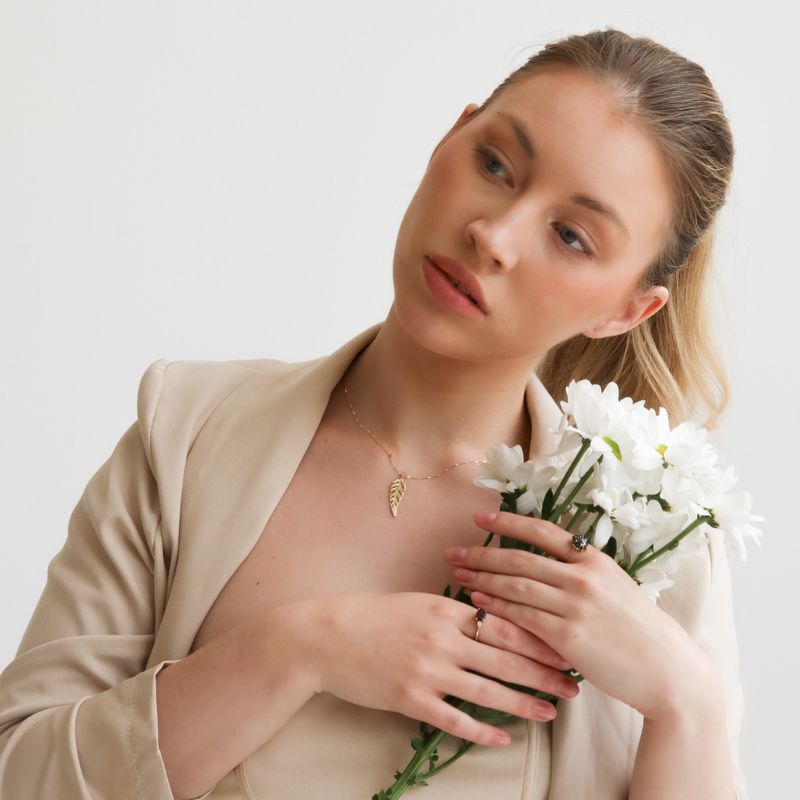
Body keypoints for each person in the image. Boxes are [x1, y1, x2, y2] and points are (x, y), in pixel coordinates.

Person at [0, 26, 745, 800]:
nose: (492, 235)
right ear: (449, 137)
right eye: (494, 164)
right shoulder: (187, 434)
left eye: (570, 235)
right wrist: (299, 651)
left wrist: (688, 705)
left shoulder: (658, 550)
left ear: (628, 310)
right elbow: (20, 777)